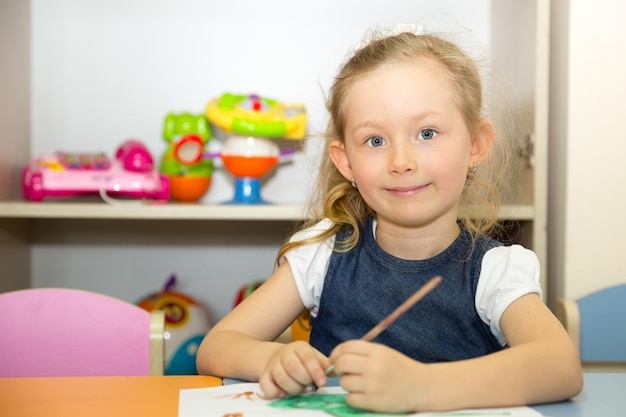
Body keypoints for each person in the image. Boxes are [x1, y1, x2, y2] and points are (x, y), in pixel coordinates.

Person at [196, 25, 583, 413]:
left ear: (476, 145)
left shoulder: (496, 270)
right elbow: (216, 346)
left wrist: (420, 387)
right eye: (375, 141)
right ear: (345, 160)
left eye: (427, 133)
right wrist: (272, 361)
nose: (401, 162)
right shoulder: (324, 253)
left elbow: (560, 367)